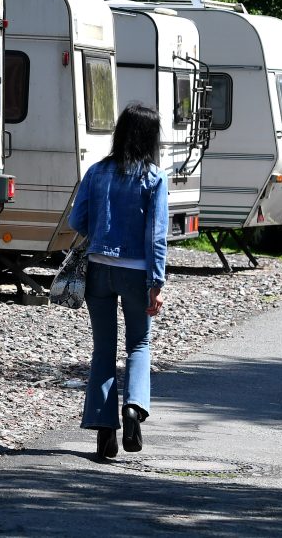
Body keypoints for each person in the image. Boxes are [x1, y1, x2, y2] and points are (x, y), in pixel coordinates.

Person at [68, 103, 168, 461]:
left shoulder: (96, 172)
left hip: (98, 268)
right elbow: (156, 236)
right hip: (137, 271)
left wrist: (101, 231)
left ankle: (103, 431)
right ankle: (134, 408)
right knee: (139, 343)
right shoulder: (154, 178)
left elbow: (77, 220)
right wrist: (156, 281)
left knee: (103, 349)